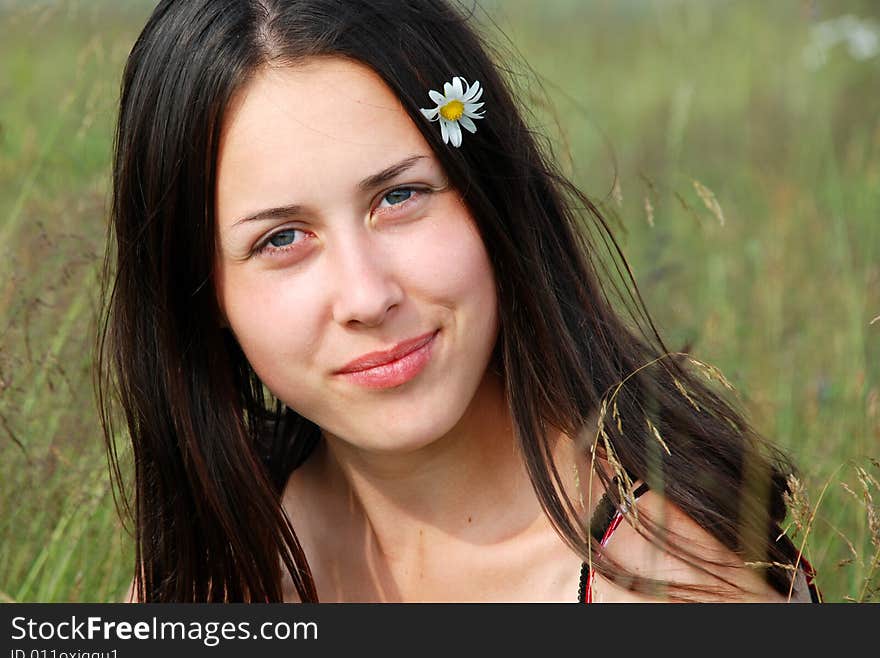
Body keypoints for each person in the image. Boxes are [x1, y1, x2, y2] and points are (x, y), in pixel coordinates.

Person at [98, 0, 820, 603]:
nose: (367, 295)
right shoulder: (207, 572)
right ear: (201, 290)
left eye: (400, 196)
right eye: (283, 238)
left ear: (488, 195)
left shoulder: (665, 580)